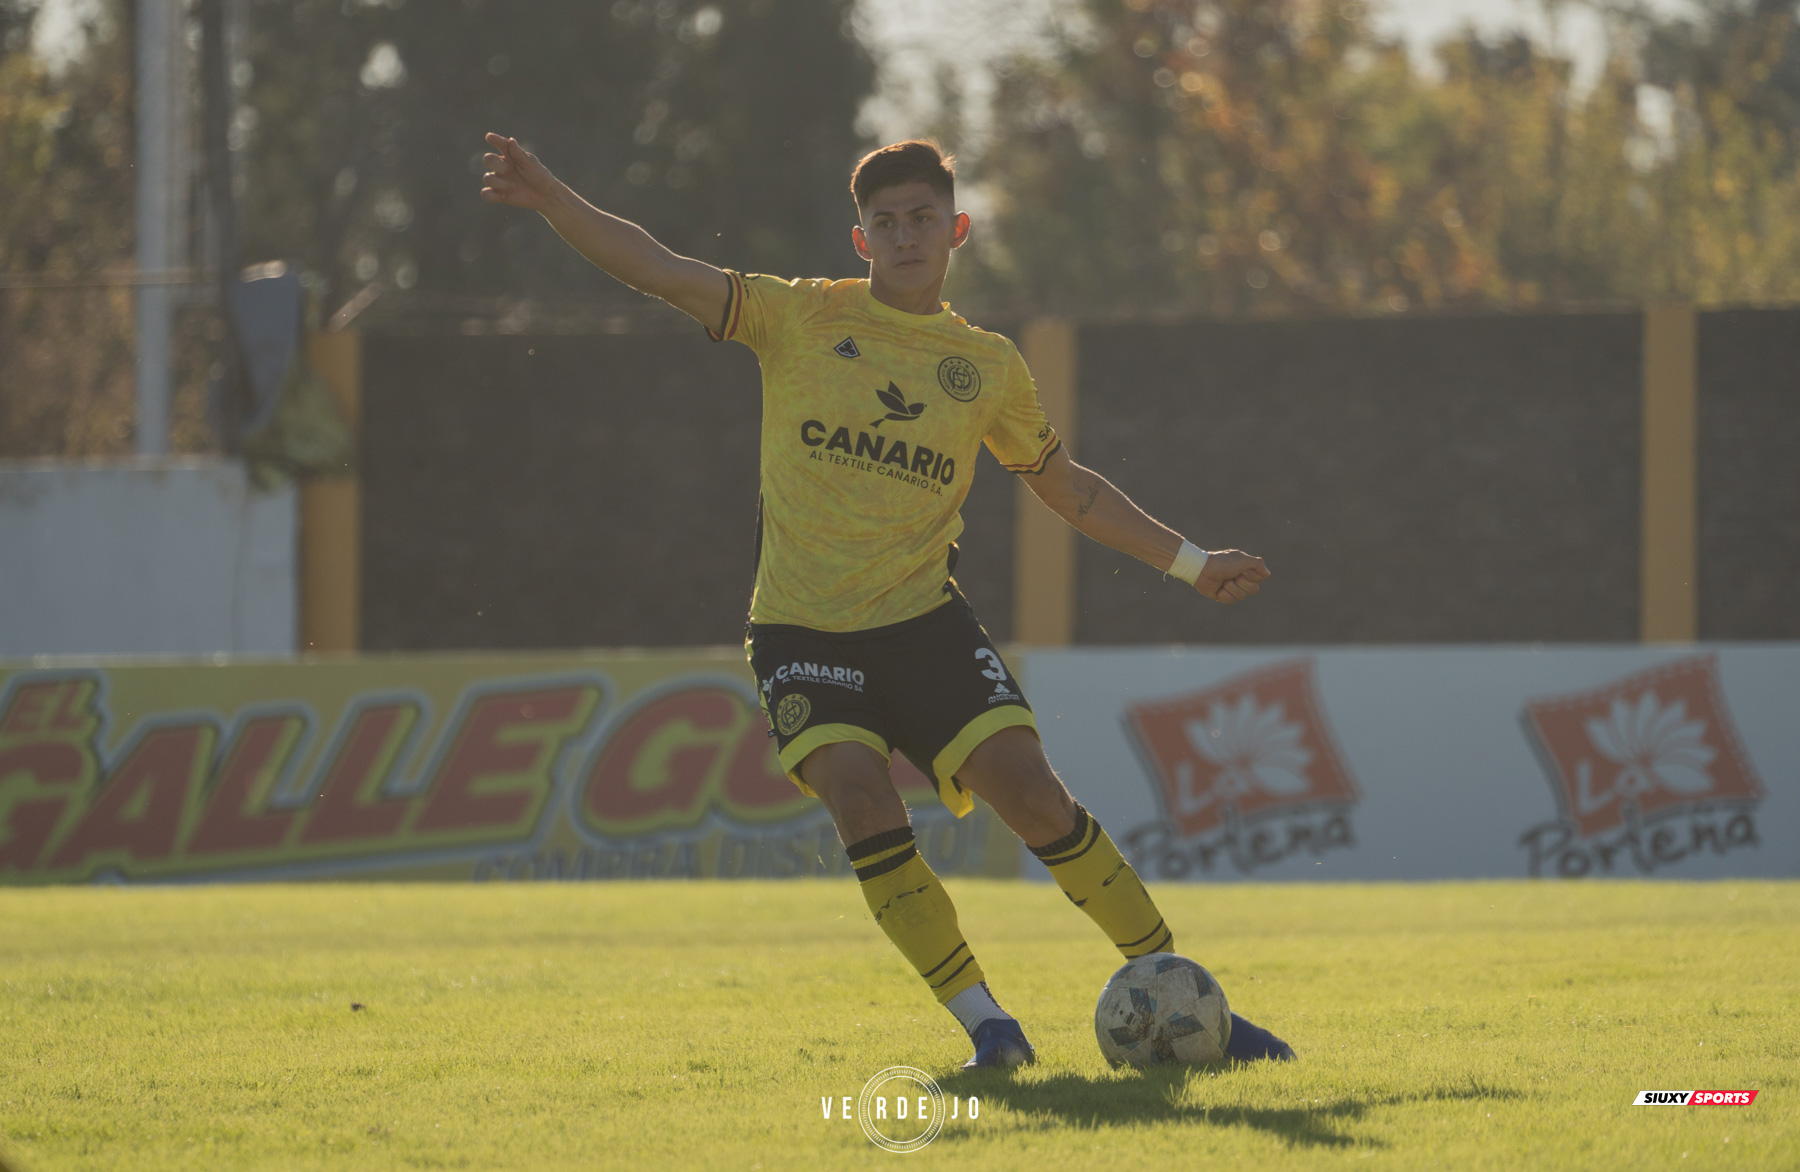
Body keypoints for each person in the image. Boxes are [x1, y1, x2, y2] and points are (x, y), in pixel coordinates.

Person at [480, 133, 1291, 1068]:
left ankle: (1193, 1006)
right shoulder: (796, 316)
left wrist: (1193, 562)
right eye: (886, 222)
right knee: (863, 804)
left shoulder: (985, 365)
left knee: (1033, 796)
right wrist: (555, 203)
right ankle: (991, 1029)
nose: (906, 235)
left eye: (922, 219)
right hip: (800, 629)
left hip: (922, 623)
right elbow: (661, 268)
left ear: (958, 229)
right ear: (860, 239)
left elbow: (1069, 489)